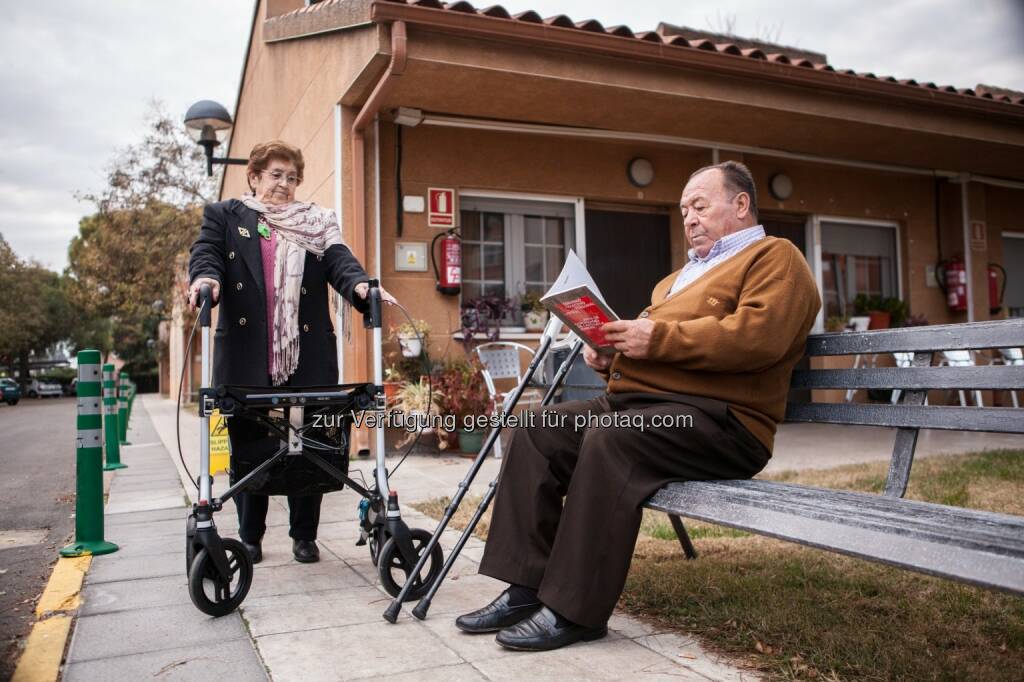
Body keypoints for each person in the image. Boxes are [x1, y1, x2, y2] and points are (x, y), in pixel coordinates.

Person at [455, 161, 821, 651]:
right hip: (641, 408)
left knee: (613, 441)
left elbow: (761, 339)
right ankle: (526, 586)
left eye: (700, 204)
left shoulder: (775, 258)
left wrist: (657, 336)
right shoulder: (673, 282)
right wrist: (610, 356)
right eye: (683, 209)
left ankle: (574, 610)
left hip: (721, 421)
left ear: (740, 205)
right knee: (538, 427)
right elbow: (656, 353)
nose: (689, 217)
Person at [188, 140, 395, 565]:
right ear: (255, 176)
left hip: (307, 352)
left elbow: (340, 261)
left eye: (292, 177)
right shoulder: (226, 216)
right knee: (252, 445)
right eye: (276, 175)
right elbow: (206, 254)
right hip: (248, 353)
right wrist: (206, 280)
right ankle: (250, 536)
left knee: (312, 443)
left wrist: (360, 286)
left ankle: (304, 535)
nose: (285, 183)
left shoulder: (317, 221)